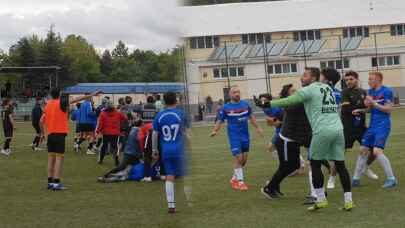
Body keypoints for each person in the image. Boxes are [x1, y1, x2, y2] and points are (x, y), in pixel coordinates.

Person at [267, 67, 353, 211]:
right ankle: (348, 201)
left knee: (314, 164)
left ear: (313, 77)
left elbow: (289, 100)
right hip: (338, 130)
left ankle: (320, 199)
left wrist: (268, 103)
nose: (302, 77)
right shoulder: (326, 87)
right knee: (340, 165)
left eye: (305, 75)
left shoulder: (309, 89)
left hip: (322, 130)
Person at [40, 88, 100, 190]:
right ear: (59, 94)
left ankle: (50, 182)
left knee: (51, 159)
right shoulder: (60, 103)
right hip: (59, 135)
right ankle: (56, 183)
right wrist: (92, 94)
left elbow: (41, 121)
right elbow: (77, 99)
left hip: (50, 135)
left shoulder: (48, 105)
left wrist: (43, 134)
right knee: (59, 159)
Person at [260, 84, 311, 199]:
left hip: (292, 140)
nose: (296, 92)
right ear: (288, 96)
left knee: (292, 165)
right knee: (288, 166)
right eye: (293, 91)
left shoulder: (295, 104)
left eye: (295, 90)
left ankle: (273, 187)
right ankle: (269, 188)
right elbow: (277, 116)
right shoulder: (291, 105)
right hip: (286, 141)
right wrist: (271, 116)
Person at [210, 86, 264, 191]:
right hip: (234, 136)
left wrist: (258, 127)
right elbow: (220, 121)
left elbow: (251, 117)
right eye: (234, 92)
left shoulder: (245, 104)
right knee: (238, 158)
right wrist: (215, 131)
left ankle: (234, 178)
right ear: (230, 95)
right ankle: (240, 182)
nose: (237, 94)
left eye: (238, 92)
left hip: (245, 136)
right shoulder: (225, 107)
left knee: (243, 161)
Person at [352, 72, 397, 188]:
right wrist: (361, 110)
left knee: (377, 151)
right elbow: (371, 109)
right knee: (363, 149)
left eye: (370, 79)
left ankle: (391, 179)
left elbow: (388, 109)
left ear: (378, 80)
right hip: (372, 125)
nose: (368, 81)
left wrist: (373, 103)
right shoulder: (371, 92)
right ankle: (356, 179)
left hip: (383, 125)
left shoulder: (387, 91)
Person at [152, 91, 189, 214]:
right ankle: (189, 201)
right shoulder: (181, 114)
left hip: (166, 150)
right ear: (176, 101)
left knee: (169, 175)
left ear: (164, 102)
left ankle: (171, 205)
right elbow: (185, 132)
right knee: (185, 175)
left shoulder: (159, 115)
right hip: (179, 149)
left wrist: (154, 149)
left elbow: (155, 134)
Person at [341, 71, 378, 180]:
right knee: (339, 154)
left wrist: (369, 107)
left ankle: (365, 167)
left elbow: (369, 108)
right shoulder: (344, 92)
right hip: (348, 129)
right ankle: (332, 177)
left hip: (361, 128)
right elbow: (347, 109)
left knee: (376, 150)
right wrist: (360, 110)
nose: (348, 82)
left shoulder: (363, 92)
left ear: (357, 79)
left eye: (351, 79)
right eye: (346, 80)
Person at [96, 100, 128, 165]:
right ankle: (116, 160)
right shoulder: (118, 113)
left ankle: (101, 160)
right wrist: (121, 125)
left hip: (106, 133)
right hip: (115, 133)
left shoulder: (103, 113)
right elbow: (125, 119)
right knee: (114, 147)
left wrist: (97, 131)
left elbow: (100, 124)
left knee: (104, 146)